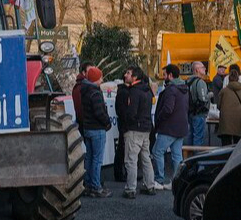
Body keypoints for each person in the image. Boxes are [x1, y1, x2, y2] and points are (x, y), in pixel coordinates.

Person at [115, 66, 156, 199]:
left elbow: (131, 112)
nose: (125, 75)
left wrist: (127, 124)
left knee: (131, 160)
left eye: (128, 73)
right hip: (146, 128)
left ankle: (130, 189)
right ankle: (150, 185)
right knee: (146, 158)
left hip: (134, 129)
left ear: (135, 77)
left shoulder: (134, 91)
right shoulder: (147, 90)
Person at [151, 64, 189, 190]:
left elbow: (168, 109)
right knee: (177, 155)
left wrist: (159, 119)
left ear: (170, 75)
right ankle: (176, 182)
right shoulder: (184, 88)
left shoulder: (171, 90)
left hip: (169, 127)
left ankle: (159, 180)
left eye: (165, 74)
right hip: (181, 127)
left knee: (157, 152)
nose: (163, 77)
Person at [78, 66, 112, 197]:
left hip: (88, 128)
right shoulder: (95, 93)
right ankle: (96, 186)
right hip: (97, 129)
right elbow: (99, 113)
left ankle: (88, 184)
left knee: (89, 158)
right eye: (100, 77)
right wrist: (107, 122)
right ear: (95, 79)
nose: (102, 80)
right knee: (97, 160)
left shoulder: (84, 90)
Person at [216, 71, 241, 146]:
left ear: (228, 79)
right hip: (238, 121)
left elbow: (218, 106)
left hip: (225, 122)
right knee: (237, 145)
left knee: (225, 145)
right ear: (238, 79)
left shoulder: (223, 91)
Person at [187, 61, 211, 147]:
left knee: (191, 135)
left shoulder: (189, 81)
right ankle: (196, 155)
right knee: (198, 137)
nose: (205, 69)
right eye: (203, 67)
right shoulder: (200, 82)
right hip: (199, 112)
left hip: (190, 112)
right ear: (197, 70)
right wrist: (210, 94)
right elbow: (203, 98)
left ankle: (189, 154)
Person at [71, 62, 93, 135]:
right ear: (84, 72)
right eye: (90, 71)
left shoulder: (83, 86)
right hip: (88, 126)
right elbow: (80, 108)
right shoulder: (81, 87)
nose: (92, 73)